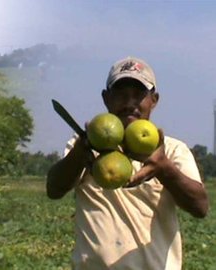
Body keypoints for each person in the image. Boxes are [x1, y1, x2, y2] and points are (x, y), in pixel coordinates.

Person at [46, 56, 208, 269]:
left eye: (138, 95)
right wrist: (79, 154)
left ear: (154, 100)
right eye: (120, 94)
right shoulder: (84, 147)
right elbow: (54, 190)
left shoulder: (172, 149)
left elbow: (200, 207)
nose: (129, 103)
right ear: (106, 98)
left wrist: (163, 168)